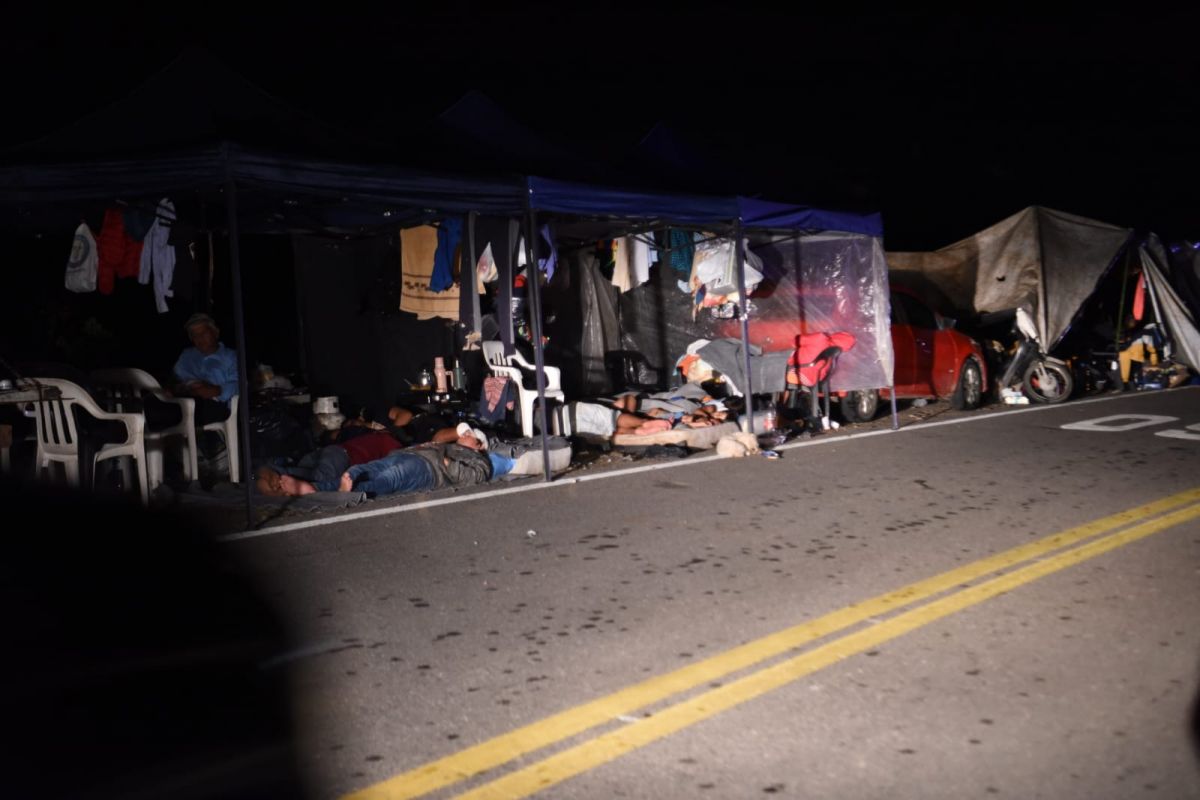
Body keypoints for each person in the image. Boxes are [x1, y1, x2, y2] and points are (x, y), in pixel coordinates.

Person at [171, 312, 238, 426]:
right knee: (151, 404)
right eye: (195, 335)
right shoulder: (187, 355)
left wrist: (216, 390)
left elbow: (239, 384)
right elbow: (174, 377)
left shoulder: (230, 356)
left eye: (204, 333)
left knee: (197, 409)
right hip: (184, 400)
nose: (200, 338)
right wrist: (174, 388)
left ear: (215, 332)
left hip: (215, 405)